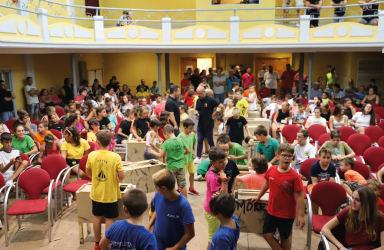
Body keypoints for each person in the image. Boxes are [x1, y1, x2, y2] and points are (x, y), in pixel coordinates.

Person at [251, 143, 305, 250]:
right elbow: (266, 184)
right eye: (284, 155)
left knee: (284, 237)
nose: (287, 158)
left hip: (287, 214)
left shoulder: (294, 176)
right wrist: (258, 197)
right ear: (278, 156)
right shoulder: (271, 170)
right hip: (271, 210)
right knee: (267, 234)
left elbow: (300, 196)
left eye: (289, 156)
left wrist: (302, 216)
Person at [85, 130, 124, 250]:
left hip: (96, 193)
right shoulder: (115, 156)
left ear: (97, 142)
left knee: (97, 217)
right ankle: (107, 243)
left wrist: (96, 178)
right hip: (110, 193)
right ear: (111, 142)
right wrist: (114, 180)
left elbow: (87, 173)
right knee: (109, 219)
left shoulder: (92, 155)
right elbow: (121, 176)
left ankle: (97, 243)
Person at [147, 169, 195, 249]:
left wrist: (174, 248)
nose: (155, 188)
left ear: (164, 188)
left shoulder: (183, 206)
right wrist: (149, 225)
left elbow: (190, 234)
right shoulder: (158, 195)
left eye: (156, 186)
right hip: (158, 244)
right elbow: (157, 210)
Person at [148, 125, 191, 198]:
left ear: (166, 133)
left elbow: (160, 155)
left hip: (171, 167)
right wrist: (182, 154)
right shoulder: (180, 140)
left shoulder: (166, 143)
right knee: (183, 185)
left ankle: (171, 199)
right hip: (181, 166)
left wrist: (152, 152)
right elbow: (188, 151)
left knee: (170, 185)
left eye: (164, 135)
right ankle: (185, 200)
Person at [203, 147, 229, 249]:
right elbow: (222, 196)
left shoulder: (214, 169)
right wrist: (224, 181)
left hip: (212, 209)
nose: (224, 164)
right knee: (212, 238)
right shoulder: (213, 178)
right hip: (212, 212)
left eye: (225, 160)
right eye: (221, 162)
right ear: (212, 162)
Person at [194, 86, 224, 163]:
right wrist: (197, 113)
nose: (199, 95)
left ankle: (214, 155)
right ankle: (198, 156)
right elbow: (197, 109)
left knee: (210, 141)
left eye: (200, 93)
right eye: (197, 94)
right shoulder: (198, 100)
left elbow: (221, 106)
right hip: (200, 124)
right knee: (199, 140)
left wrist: (214, 113)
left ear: (204, 92)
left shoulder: (210, 100)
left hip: (208, 124)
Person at [61, 126, 90, 205]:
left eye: (65, 134)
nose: (64, 136)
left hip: (79, 162)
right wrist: (65, 165)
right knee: (65, 174)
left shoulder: (83, 142)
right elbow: (63, 158)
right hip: (68, 162)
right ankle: (69, 195)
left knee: (83, 175)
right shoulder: (65, 143)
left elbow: (86, 156)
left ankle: (85, 192)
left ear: (71, 136)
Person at [308, 147, 336, 214]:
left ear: (331, 158)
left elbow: (331, 182)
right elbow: (314, 182)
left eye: (328, 158)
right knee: (314, 194)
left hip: (327, 186)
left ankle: (327, 214)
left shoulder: (332, 167)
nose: (326, 160)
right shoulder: (314, 166)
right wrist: (321, 191)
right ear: (319, 157)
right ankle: (315, 214)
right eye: (324, 157)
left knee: (332, 195)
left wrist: (326, 191)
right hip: (313, 184)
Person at [178, 119, 199, 196]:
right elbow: (178, 146)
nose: (191, 130)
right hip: (183, 159)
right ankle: (180, 189)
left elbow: (194, 143)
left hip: (191, 158)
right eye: (190, 128)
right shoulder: (180, 136)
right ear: (185, 127)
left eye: (192, 128)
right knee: (182, 175)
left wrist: (195, 152)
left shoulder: (192, 134)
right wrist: (181, 153)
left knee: (192, 173)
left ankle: (191, 188)